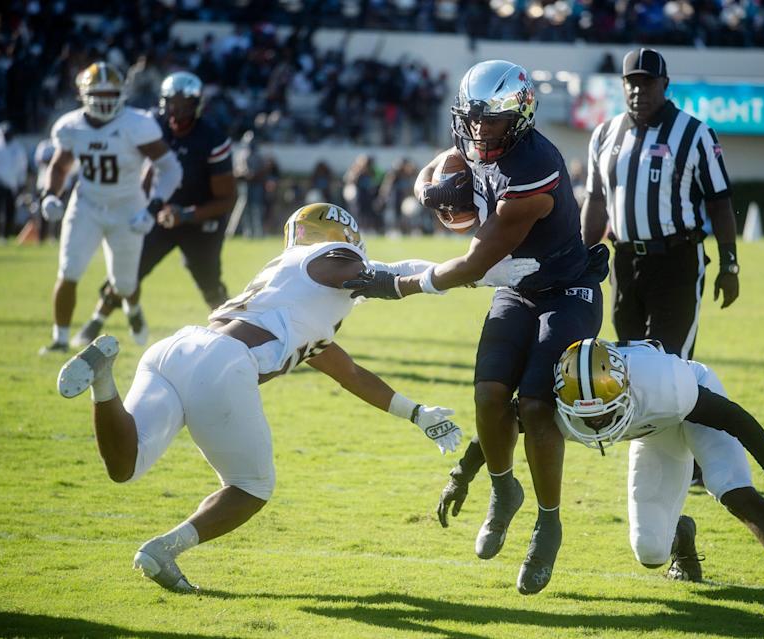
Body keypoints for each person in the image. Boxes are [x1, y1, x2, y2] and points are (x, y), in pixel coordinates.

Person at [54, 203, 480, 593]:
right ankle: (163, 550)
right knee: (253, 487)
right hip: (223, 362)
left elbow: (348, 373)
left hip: (177, 348)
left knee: (124, 465)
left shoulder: (294, 292)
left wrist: (416, 413)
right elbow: (369, 272)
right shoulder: (330, 260)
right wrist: (459, 273)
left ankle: (103, 382)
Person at [343, 60, 609, 595]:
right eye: (473, 119)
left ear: (521, 116)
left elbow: (472, 264)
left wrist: (402, 285)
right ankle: (504, 490)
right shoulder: (475, 142)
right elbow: (443, 163)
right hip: (516, 289)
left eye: (492, 121)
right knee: (488, 394)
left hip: (566, 290)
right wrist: (428, 187)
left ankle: (549, 520)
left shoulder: (533, 170)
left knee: (535, 404)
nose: (480, 131)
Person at [437, 338, 764, 619]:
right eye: (586, 413)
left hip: (685, 407)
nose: (596, 420)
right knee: (649, 551)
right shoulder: (557, 398)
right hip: (652, 430)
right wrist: (461, 475)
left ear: (624, 387)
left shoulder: (667, 386)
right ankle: (681, 538)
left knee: (731, 489)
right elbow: (498, 426)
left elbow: (733, 417)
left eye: (602, 411)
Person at [581, 48, 739, 361]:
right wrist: (580, 261)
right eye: (632, 83)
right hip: (624, 262)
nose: (639, 91)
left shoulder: (695, 134)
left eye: (648, 83)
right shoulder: (604, 134)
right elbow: (596, 201)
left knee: (668, 366)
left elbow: (720, 203)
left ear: (665, 84)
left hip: (676, 261)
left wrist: (729, 263)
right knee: (629, 362)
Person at [71, 71, 237, 348]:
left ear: (196, 106)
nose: (176, 111)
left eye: (184, 104)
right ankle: (95, 321)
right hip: (158, 211)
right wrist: (149, 204)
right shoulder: (151, 125)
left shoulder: (212, 139)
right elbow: (139, 166)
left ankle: (234, 336)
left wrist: (185, 215)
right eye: (172, 103)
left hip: (201, 218)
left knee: (209, 281)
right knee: (128, 269)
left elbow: (226, 199)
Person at [38, 62, 183, 354]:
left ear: (121, 94)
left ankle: (133, 308)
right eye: (98, 94)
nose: (104, 100)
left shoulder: (136, 123)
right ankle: (60, 339)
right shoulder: (71, 126)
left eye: (110, 94)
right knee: (68, 270)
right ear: (83, 94)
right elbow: (60, 165)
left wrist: (152, 207)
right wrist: (50, 195)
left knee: (125, 283)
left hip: (127, 206)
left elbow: (170, 168)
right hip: (87, 204)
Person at [0, 121, 28, 243]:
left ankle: (5, 236)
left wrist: (21, 183)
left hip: (11, 185)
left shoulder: (18, 148)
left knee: (9, 210)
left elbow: (22, 168)